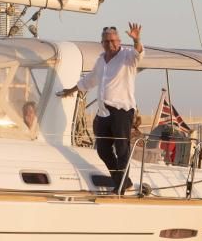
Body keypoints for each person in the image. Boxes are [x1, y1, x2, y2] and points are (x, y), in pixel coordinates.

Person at [59, 23, 144, 193]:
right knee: (103, 150)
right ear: (102, 43)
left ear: (119, 41)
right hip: (104, 112)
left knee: (121, 149)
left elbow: (139, 54)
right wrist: (71, 90)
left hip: (122, 110)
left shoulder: (127, 56)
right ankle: (123, 182)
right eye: (106, 41)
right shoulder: (101, 60)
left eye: (113, 40)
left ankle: (120, 187)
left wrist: (136, 40)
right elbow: (89, 80)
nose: (110, 44)